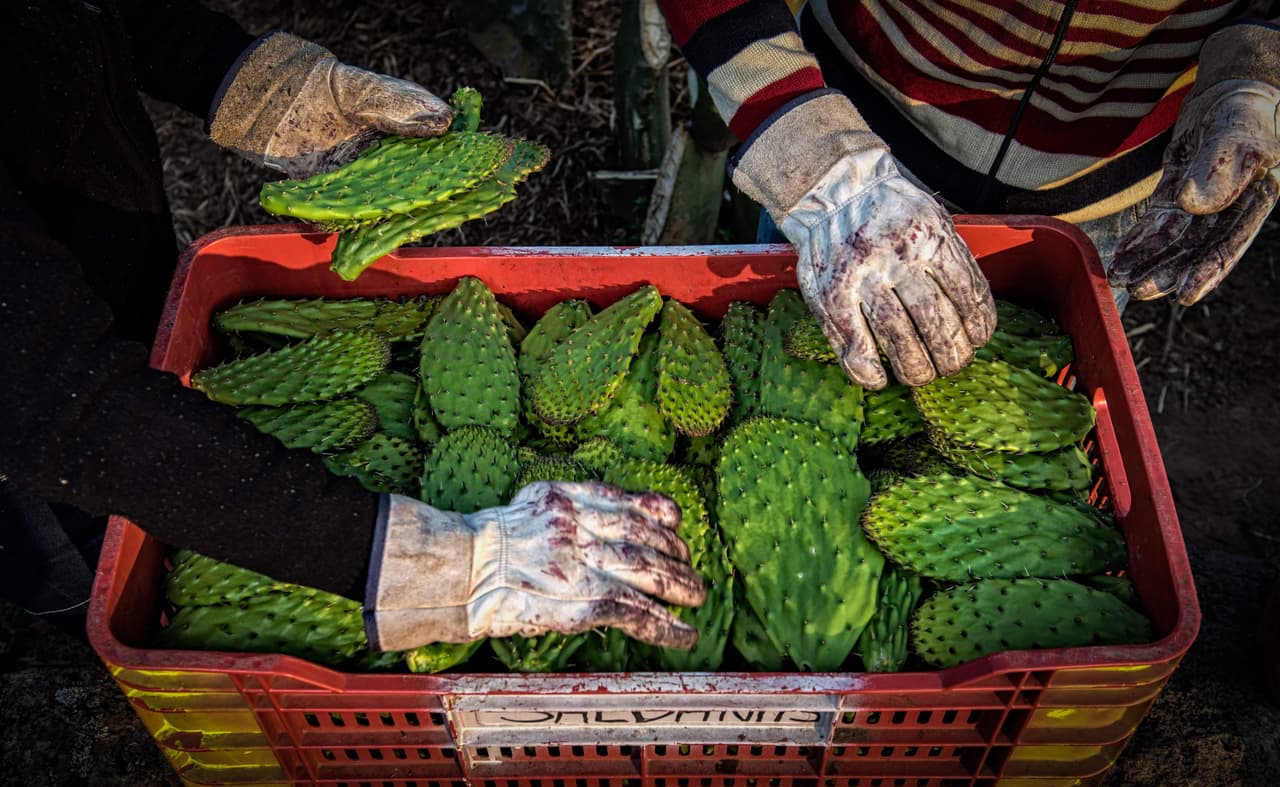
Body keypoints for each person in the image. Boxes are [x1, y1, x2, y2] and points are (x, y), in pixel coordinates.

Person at [0, 1, 705, 653]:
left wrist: (244, 78)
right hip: (44, 446)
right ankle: (70, 621)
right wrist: (427, 563)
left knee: (146, 359)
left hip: (94, 259)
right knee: (93, 557)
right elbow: (54, 407)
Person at [656, 0, 1279, 391]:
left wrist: (1258, 71)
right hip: (845, 135)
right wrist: (812, 154)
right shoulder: (826, 166)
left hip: (1103, 201)